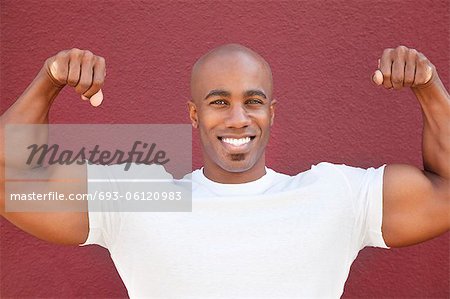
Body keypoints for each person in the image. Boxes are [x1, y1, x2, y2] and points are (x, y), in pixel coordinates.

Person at [0, 44, 449, 298]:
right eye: (219, 102)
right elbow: (9, 179)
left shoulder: (335, 195)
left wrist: (429, 88)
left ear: (272, 113)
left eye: (253, 102)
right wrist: (49, 81)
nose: (238, 118)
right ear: (194, 116)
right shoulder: (139, 197)